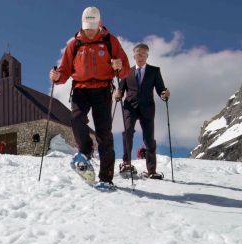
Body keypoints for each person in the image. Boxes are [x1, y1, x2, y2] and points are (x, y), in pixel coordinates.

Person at [49, 6, 130, 190]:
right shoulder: (75, 44)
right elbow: (64, 71)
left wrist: (119, 66)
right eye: (87, 27)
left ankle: (106, 178)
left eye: (92, 26)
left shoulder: (111, 42)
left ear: (99, 23)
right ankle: (84, 153)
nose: (90, 31)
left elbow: (125, 69)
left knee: (104, 133)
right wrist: (56, 77)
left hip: (102, 90)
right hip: (80, 89)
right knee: (76, 119)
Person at [115, 43, 170, 179]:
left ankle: (151, 171)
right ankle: (126, 163)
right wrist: (118, 94)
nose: (141, 56)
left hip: (147, 108)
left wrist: (164, 94)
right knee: (128, 132)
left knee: (149, 139)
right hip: (130, 107)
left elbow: (160, 89)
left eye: (144, 54)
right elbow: (121, 89)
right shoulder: (127, 72)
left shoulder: (154, 71)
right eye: (138, 54)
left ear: (147, 56)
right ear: (134, 55)